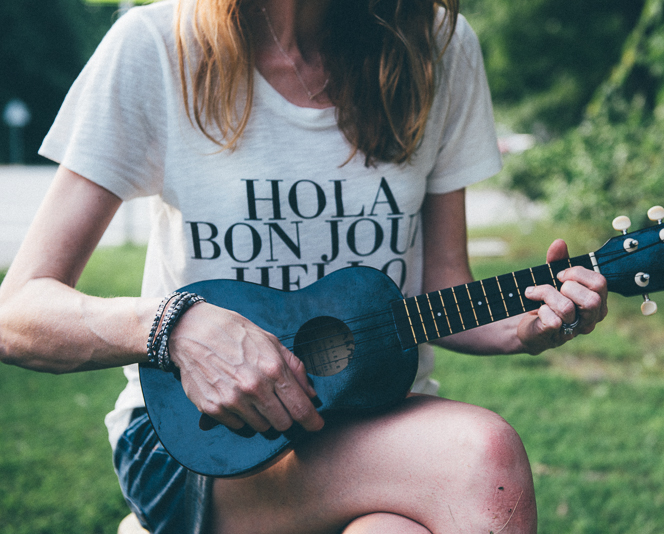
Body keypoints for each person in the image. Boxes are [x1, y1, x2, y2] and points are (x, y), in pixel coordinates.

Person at [0, 0, 608, 532]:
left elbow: (443, 285)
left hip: (377, 421)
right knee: (483, 454)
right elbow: (17, 313)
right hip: (199, 442)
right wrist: (175, 327)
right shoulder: (158, 46)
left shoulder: (435, 47)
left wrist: (522, 324)